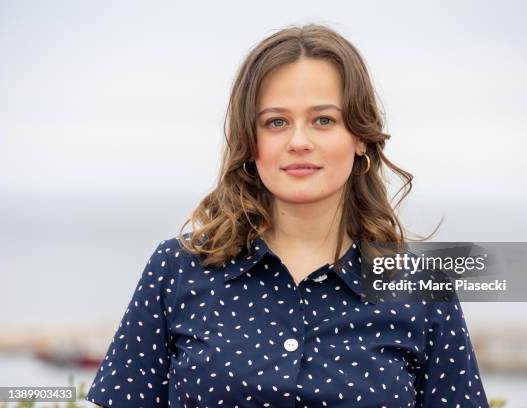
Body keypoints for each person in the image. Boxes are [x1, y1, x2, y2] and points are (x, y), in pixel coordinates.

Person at [86, 23, 489, 407]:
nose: (299, 141)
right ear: (250, 139)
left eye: (323, 120)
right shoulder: (176, 269)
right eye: (276, 122)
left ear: (361, 137)